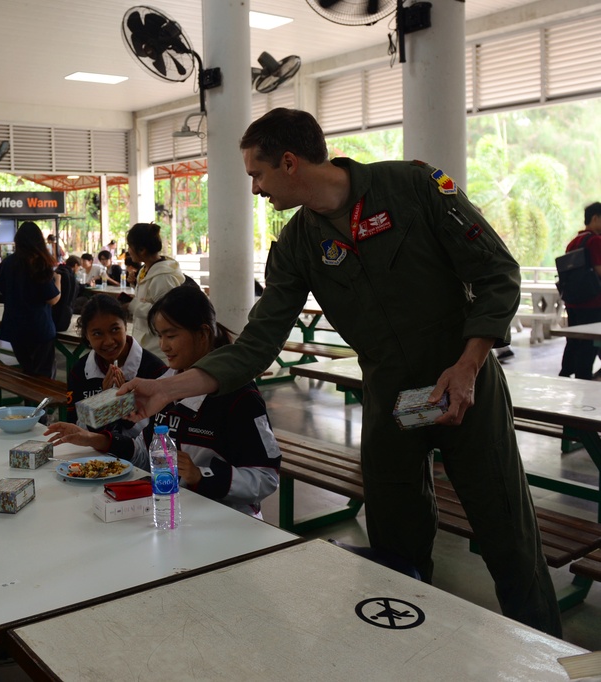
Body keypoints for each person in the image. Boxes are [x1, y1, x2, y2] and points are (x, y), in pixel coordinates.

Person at [122, 108, 562, 637]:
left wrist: (469, 364)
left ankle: (553, 658)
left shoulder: (415, 186)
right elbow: (256, 345)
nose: (256, 189)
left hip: (466, 387)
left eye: (257, 175)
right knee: (394, 546)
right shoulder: (298, 247)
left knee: (507, 536)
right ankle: (406, 655)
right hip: (394, 403)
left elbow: (496, 273)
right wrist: (166, 389)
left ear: (289, 162)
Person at [47, 286, 280, 517]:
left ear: (203, 334)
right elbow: (144, 452)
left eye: (171, 336)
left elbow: (266, 478)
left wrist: (201, 475)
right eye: (160, 336)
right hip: (172, 512)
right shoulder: (164, 384)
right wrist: (93, 439)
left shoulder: (239, 395)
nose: (163, 346)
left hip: (227, 522)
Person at [64, 295, 166, 438]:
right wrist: (103, 401)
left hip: (139, 458)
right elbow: (75, 427)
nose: (108, 341)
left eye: (114, 330)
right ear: (86, 335)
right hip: (90, 455)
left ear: (125, 325)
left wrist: (125, 404)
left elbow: (159, 433)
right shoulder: (79, 371)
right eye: (97, 334)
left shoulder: (154, 370)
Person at [0, 221, 61, 378]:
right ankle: (41, 403)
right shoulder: (38, 263)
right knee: (43, 377)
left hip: (15, 329)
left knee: (28, 374)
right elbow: (53, 299)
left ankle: (29, 402)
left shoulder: (6, 263)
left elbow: (2, 292)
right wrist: (58, 280)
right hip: (39, 328)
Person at [126, 222, 185, 361]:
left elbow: (168, 314)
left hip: (158, 350)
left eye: (130, 246)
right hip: (146, 343)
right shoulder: (146, 270)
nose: (128, 250)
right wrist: (135, 285)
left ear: (142, 250)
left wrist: (132, 305)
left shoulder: (163, 277)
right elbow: (151, 298)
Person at [559, 202, 601, 380]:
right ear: (595, 218)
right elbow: (599, 270)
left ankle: (565, 373)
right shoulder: (595, 241)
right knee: (590, 342)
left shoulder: (574, 242)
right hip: (593, 302)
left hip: (573, 301)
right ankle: (584, 379)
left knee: (574, 340)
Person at [52, 253, 79, 333]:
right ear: (76, 265)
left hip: (52, 317)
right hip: (62, 320)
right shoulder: (69, 276)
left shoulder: (57, 271)